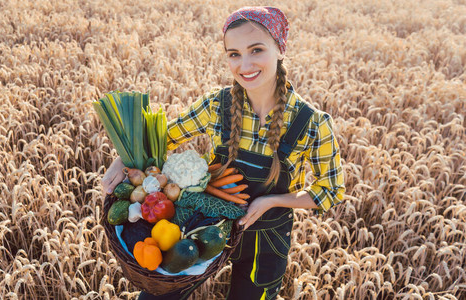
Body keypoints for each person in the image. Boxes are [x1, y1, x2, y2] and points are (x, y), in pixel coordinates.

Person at [101, 6, 345, 300]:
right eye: (234, 54)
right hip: (204, 223)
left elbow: (330, 190)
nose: (245, 64)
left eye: (256, 50)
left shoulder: (312, 123)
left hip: (266, 239)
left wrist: (272, 201)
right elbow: (165, 136)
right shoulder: (218, 105)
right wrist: (123, 158)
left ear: (280, 48)